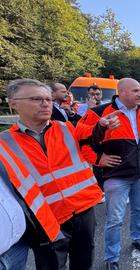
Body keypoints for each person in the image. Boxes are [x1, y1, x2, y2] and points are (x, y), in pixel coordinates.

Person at [3, 78, 120, 270]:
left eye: (48, 99)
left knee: (83, 261)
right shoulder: (5, 143)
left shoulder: (66, 127)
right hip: (44, 219)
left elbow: (92, 133)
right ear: (13, 103)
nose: (46, 104)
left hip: (82, 211)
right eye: (36, 99)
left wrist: (103, 125)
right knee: (51, 265)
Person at [79, 78, 140, 270]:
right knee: (114, 219)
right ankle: (111, 258)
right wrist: (98, 159)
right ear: (121, 91)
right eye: (136, 91)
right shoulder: (99, 113)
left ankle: (137, 239)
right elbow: (81, 140)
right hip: (116, 176)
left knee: (139, 210)